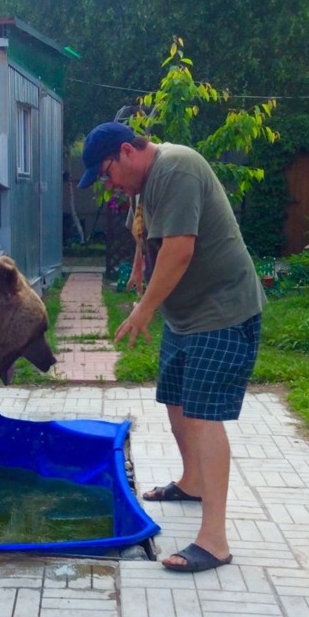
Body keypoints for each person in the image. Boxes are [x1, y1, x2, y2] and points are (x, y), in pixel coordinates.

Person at [77, 121, 265, 573]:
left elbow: (179, 250)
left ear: (127, 151)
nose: (109, 184)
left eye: (106, 173)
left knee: (203, 416)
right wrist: (141, 264)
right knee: (176, 402)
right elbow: (147, 234)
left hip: (222, 311)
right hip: (186, 315)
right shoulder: (145, 182)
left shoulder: (176, 169)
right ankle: (192, 481)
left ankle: (215, 541)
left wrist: (142, 309)